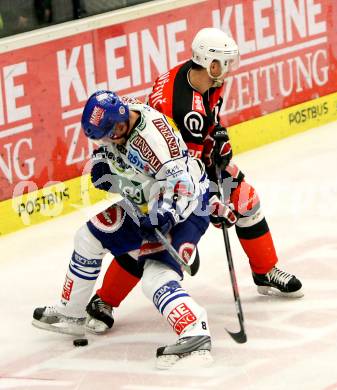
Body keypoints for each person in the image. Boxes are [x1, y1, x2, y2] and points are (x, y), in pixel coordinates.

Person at [85, 27, 304, 334]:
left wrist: (218, 141)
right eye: (225, 62)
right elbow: (187, 166)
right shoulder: (186, 108)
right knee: (149, 238)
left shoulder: (198, 78)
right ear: (211, 63)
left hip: (177, 165)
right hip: (159, 175)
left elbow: (204, 135)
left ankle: (265, 271)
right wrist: (211, 195)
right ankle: (103, 300)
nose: (229, 68)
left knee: (246, 200)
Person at [32, 91, 213, 369]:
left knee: (155, 276)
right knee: (88, 237)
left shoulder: (155, 142)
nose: (105, 140)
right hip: (145, 204)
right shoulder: (119, 123)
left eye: (108, 135)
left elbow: (183, 186)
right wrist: (102, 164)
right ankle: (72, 313)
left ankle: (195, 332)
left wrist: (164, 214)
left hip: (186, 209)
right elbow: (108, 150)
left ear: (120, 124)